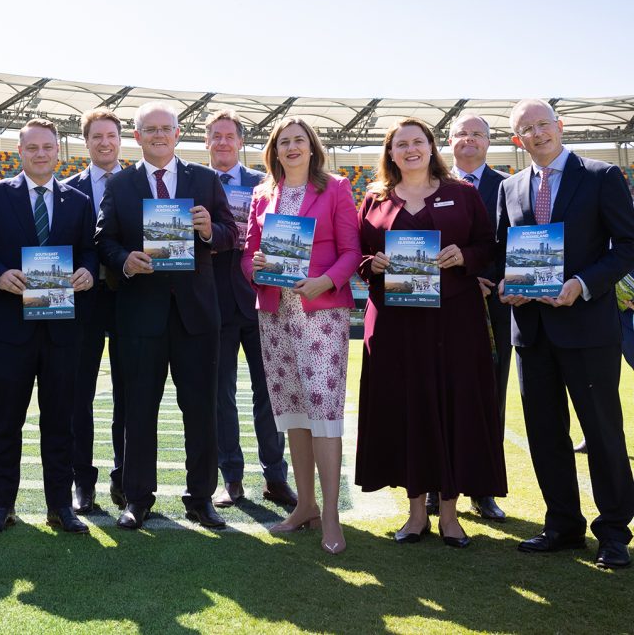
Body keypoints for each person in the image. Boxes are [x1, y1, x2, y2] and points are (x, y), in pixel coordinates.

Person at [355, 118, 506, 549]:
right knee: (407, 409)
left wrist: (465, 255)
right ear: (391, 153)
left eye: (417, 142)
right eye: (400, 144)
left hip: (455, 322)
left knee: (454, 407)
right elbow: (360, 254)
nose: (410, 150)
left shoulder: (462, 194)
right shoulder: (374, 199)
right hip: (395, 325)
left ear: (431, 147)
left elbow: (489, 246)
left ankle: (451, 514)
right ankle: (416, 511)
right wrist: (373, 265)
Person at [498, 99, 634, 569]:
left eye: (542, 125)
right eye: (526, 130)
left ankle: (614, 531)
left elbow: (627, 246)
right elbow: (503, 253)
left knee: (601, 431)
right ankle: (562, 525)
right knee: (544, 432)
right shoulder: (511, 186)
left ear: (560, 126)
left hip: (588, 327)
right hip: (531, 331)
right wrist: (503, 283)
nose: (536, 134)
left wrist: (582, 284)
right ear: (517, 140)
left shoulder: (601, 175)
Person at [95, 101, 238, 530]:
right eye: (149, 129)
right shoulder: (119, 185)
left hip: (195, 315)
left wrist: (210, 230)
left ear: (178, 134)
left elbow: (232, 235)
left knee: (201, 410)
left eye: (166, 128)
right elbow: (104, 241)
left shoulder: (205, 179)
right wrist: (126, 260)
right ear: (136, 137)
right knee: (138, 410)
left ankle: (201, 498)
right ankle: (137, 498)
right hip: (140, 315)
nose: (159, 135)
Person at [0, 118, 99, 536]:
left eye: (48, 147)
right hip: (10, 328)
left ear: (59, 151)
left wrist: (87, 273)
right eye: (32, 148)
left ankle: (60, 506)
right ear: (19, 152)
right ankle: (2, 504)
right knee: (6, 420)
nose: (41, 154)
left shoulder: (77, 200)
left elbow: (90, 252)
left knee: (61, 421)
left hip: (61, 330)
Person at [242, 118, 359, 554]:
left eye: (299, 141)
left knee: (323, 412)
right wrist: (253, 269)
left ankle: (331, 514)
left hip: (320, 314)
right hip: (275, 315)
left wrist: (325, 282)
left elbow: (352, 251)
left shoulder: (336, 188)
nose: (291, 147)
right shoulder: (262, 194)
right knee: (292, 409)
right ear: (274, 151)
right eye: (283, 142)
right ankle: (305, 505)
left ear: (312, 148)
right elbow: (249, 255)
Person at [205, 110, 295, 509]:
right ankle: (232, 479)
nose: (222, 142)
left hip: (262, 300)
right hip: (210, 304)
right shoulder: (194, 183)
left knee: (270, 394)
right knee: (220, 396)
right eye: (215, 136)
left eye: (229, 136)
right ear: (206, 141)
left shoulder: (266, 184)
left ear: (240, 141)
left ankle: (276, 478)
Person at [439, 113, 510, 522]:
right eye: (461, 134)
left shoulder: (510, 185)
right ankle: (437, 484)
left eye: (477, 134)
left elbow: (517, 240)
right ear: (449, 141)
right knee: (440, 393)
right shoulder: (430, 183)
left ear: (489, 142)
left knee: (489, 399)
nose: (469, 140)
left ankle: (482, 489)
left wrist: (488, 278)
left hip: (494, 305)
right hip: (442, 307)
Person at [61, 108, 127, 513]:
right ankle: (81, 481)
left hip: (129, 300)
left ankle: (126, 478)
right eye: (96, 137)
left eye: (111, 136)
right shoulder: (68, 190)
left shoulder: (142, 186)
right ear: (85, 142)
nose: (105, 143)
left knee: (130, 393)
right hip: (81, 302)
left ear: (121, 140)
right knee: (77, 395)